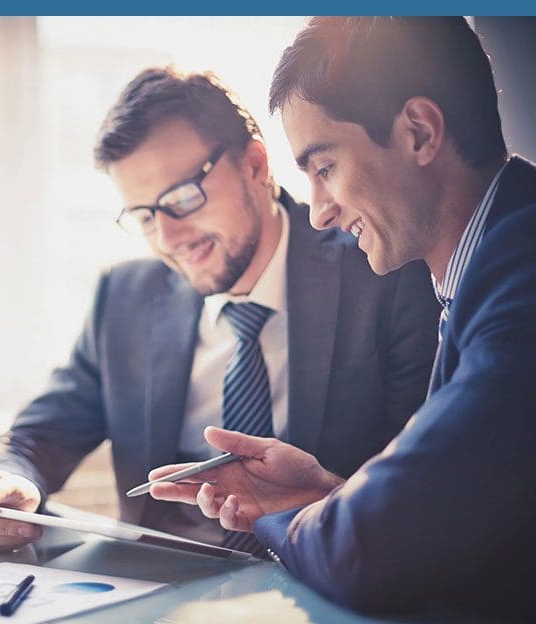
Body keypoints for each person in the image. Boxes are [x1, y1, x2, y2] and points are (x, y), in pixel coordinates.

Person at [0, 66, 439, 556]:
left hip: (319, 579)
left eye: (182, 198)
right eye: (144, 215)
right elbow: (35, 437)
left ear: (254, 165)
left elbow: (421, 492)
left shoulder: (382, 270)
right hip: (159, 592)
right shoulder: (125, 298)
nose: (168, 238)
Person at [149, 17, 536, 617]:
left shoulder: (522, 278)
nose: (319, 214)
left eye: (324, 168)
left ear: (418, 132)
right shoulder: (491, 263)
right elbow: (463, 518)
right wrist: (328, 494)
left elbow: (369, 549)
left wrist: (288, 514)